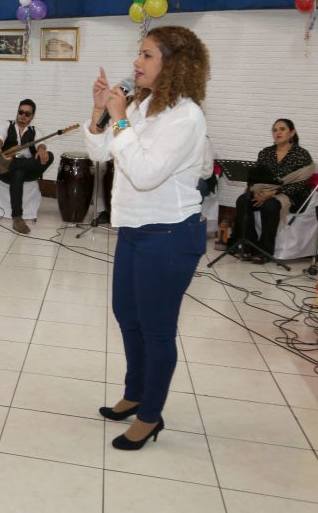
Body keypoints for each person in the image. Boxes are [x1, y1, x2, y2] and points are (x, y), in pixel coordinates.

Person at [84, 26, 210, 450]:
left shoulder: (186, 117)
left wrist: (119, 118)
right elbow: (103, 154)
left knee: (156, 330)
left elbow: (144, 173)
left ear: (173, 64)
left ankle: (151, 416)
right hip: (134, 230)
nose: (136, 62)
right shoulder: (145, 105)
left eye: (147, 55)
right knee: (127, 316)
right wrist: (99, 113)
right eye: (139, 53)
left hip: (170, 235)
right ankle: (135, 393)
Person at [229, 119, 313, 263]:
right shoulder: (265, 153)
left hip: (292, 195)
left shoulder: (301, 154)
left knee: (270, 205)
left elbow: (301, 183)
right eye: (275, 130)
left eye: (282, 129)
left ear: (292, 132)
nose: (278, 132)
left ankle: (264, 251)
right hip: (264, 190)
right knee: (243, 200)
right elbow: (256, 177)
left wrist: (272, 194)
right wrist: (256, 191)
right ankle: (250, 245)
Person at [0, 99, 54, 234]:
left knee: (50, 155)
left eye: (27, 114)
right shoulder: (7, 125)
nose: (23, 116)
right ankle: (17, 218)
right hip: (5, 172)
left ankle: (11, 164)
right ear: (17, 112)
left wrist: (42, 150)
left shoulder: (35, 131)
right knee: (18, 172)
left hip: (25, 169)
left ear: (32, 116)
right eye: (21, 112)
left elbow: (41, 144)